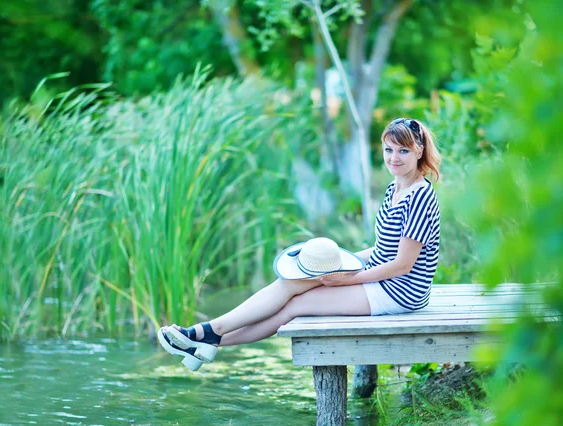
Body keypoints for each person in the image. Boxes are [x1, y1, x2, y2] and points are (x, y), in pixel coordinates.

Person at [159, 117, 441, 371]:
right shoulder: (396, 186)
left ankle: (210, 337)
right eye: (389, 149)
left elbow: (403, 265)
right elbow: (383, 249)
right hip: (381, 276)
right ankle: (206, 332)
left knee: (296, 305)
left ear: (419, 151)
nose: (394, 158)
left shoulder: (419, 197)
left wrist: (347, 279)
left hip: (401, 291)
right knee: (290, 282)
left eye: (403, 150)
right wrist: (345, 262)